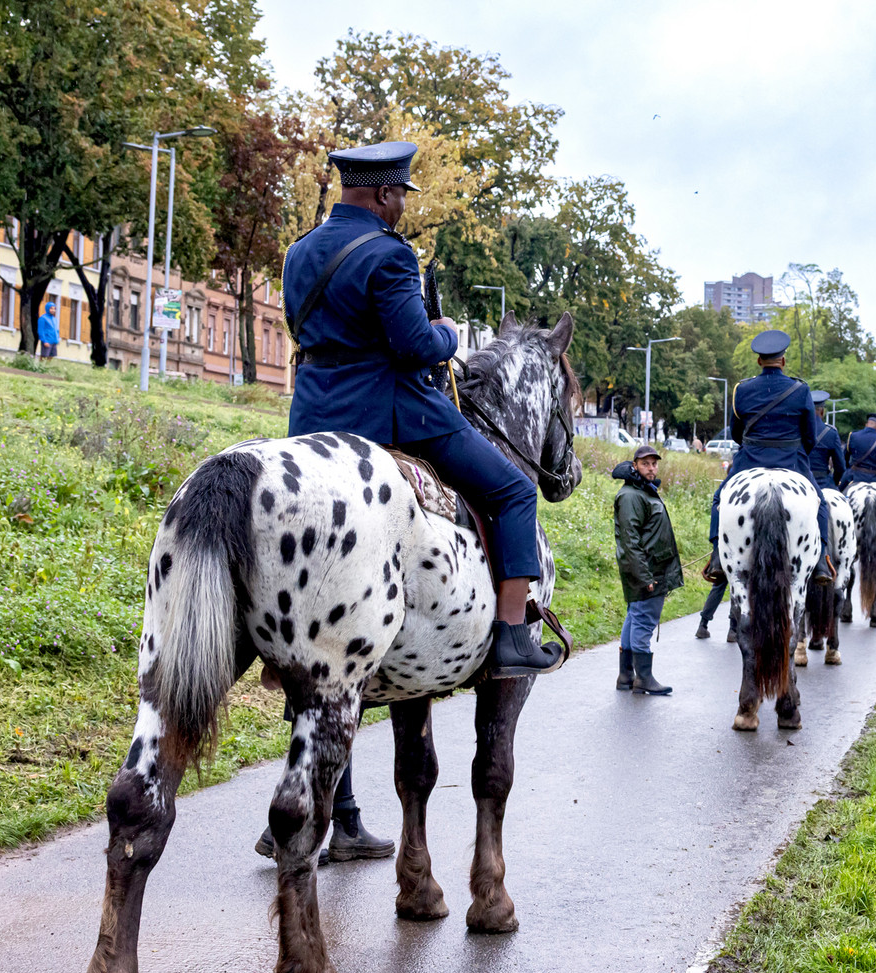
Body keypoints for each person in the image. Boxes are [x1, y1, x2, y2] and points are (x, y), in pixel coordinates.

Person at [283, 140, 563, 678]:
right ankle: (511, 635)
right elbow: (413, 346)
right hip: (392, 409)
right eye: (401, 197)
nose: (403, 207)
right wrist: (446, 332)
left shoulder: (301, 249)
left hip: (313, 414)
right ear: (385, 194)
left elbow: (304, 328)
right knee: (514, 489)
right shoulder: (390, 254)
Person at [704, 329, 833, 583]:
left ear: (759, 361)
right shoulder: (800, 389)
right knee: (820, 501)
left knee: (719, 499)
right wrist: (797, 453)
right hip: (792, 460)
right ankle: (820, 561)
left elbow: (736, 433)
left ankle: (718, 557)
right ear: (783, 361)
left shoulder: (742, 389)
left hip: (749, 459)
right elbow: (809, 435)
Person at [613, 445, 683, 695]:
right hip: (647, 572)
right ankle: (643, 678)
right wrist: (645, 577)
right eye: (646, 464)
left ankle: (625, 676)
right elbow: (630, 542)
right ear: (635, 466)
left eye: (654, 463)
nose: (651, 468)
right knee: (643, 621)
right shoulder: (632, 496)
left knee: (634, 617)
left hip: (649, 569)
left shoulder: (643, 491)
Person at [840, 412, 876, 487]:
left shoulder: (853, 435)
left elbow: (845, 458)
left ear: (866, 424)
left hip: (854, 477)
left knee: (838, 493)